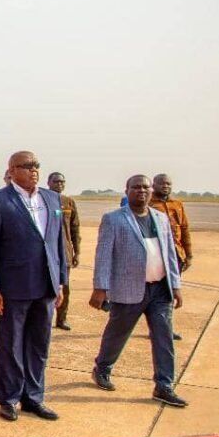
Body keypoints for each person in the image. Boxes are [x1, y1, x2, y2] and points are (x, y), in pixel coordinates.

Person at [0, 151, 67, 422]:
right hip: (12, 288)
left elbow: (57, 244)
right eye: (27, 166)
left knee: (39, 345)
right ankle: (8, 398)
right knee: (10, 345)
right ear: (12, 170)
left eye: (36, 165)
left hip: (46, 286)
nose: (34, 170)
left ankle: (33, 397)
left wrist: (61, 281)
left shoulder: (51, 198)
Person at [90, 175, 187, 408]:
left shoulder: (161, 219)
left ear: (151, 191)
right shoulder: (114, 219)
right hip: (128, 289)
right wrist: (100, 288)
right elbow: (103, 255)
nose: (141, 191)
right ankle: (102, 368)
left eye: (145, 187)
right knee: (117, 334)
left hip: (160, 290)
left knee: (164, 338)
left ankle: (164, 385)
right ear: (127, 191)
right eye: (136, 187)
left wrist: (175, 285)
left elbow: (169, 256)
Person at [149, 173, 191, 341]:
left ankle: (165, 328)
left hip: (176, 255)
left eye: (168, 184)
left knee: (170, 294)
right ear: (154, 185)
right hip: (157, 256)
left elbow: (185, 230)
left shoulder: (177, 205)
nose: (165, 186)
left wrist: (188, 255)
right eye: (162, 183)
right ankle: (157, 329)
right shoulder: (149, 204)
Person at [48, 172, 80, 331]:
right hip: (47, 252)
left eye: (62, 182)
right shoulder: (42, 200)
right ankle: (44, 320)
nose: (59, 184)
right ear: (49, 183)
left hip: (65, 253)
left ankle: (62, 318)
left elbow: (75, 229)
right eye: (56, 182)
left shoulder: (69, 202)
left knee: (65, 288)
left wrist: (77, 252)